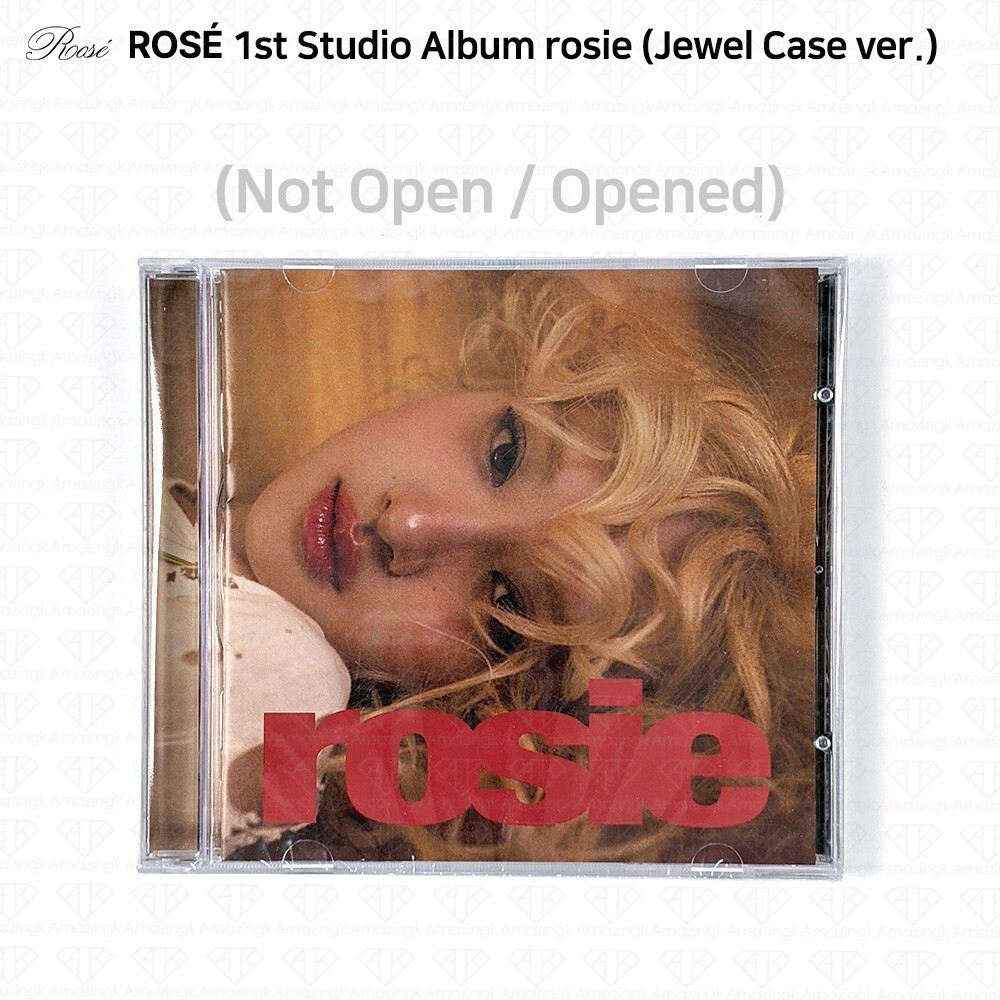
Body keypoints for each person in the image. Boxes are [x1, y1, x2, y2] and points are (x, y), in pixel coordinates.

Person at [218, 270, 819, 865]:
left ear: (499, 717)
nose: (407, 525)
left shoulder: (267, 700)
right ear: (509, 380)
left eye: (505, 604)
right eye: (505, 454)